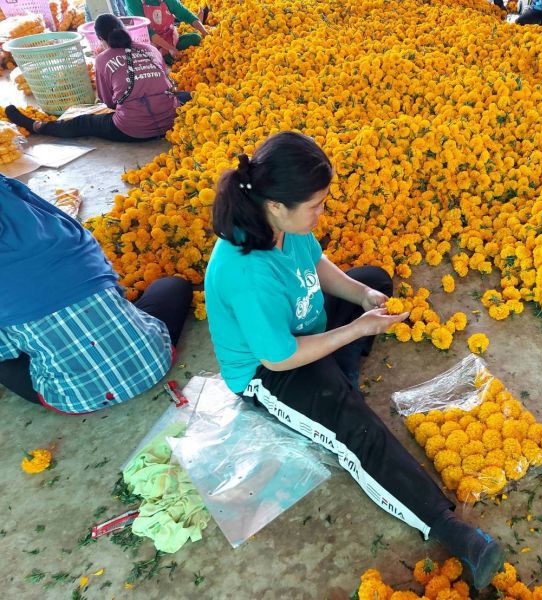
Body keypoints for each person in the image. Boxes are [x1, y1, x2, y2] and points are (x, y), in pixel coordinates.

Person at [204, 132, 506, 589]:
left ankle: (335, 376)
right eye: (316, 205)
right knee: (355, 426)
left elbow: (317, 265)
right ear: (276, 205)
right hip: (270, 370)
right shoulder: (246, 270)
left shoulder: (283, 226)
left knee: (374, 278)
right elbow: (281, 357)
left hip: (304, 330)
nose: (322, 212)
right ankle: (450, 529)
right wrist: (355, 330)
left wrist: (363, 296)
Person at [0, 175, 192, 414]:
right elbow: (117, 289)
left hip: (75, 397)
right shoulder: (68, 234)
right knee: (172, 286)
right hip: (153, 362)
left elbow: (7, 350)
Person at [5, 14, 185, 142]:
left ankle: (37, 126)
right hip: (172, 121)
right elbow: (163, 83)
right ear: (126, 31)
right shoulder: (151, 49)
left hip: (133, 131)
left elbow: (109, 103)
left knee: (84, 122)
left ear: (100, 38)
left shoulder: (103, 59)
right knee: (185, 95)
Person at [125, 0, 207, 64]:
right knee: (159, 60)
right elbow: (148, 31)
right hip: (149, 44)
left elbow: (186, 15)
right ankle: (165, 57)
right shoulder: (133, 1)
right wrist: (170, 48)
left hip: (170, 38)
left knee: (196, 38)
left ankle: (169, 55)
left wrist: (205, 33)